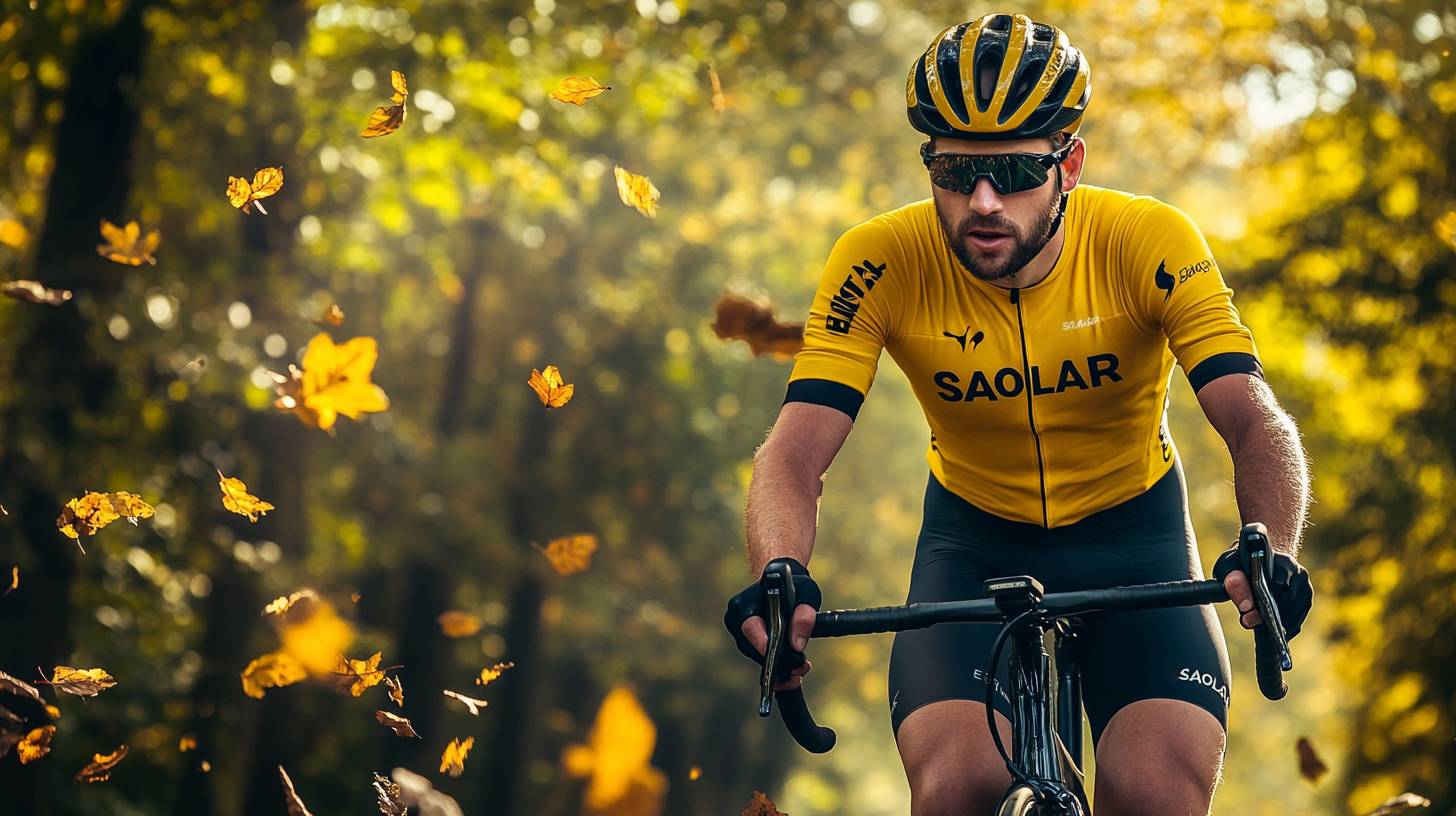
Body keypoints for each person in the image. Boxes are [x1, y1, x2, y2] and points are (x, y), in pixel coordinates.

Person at [724, 13, 1314, 816]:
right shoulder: (880, 260)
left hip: (1135, 542)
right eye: (956, 173)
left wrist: (1271, 546)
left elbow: (1254, 420)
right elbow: (793, 455)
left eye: (1012, 170)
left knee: (1153, 799)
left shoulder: (1145, 239)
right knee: (956, 792)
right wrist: (778, 573)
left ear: (1068, 163)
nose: (984, 201)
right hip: (971, 547)